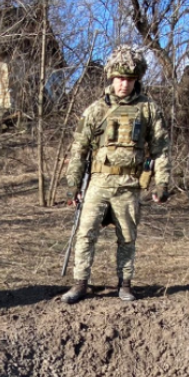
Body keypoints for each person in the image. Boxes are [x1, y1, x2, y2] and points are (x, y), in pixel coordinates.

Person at [62, 45, 170, 304]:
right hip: (98, 183)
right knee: (86, 233)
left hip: (129, 184)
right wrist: (73, 184)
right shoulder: (96, 110)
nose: (124, 85)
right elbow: (78, 149)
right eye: (120, 79)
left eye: (129, 80)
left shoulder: (148, 110)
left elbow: (161, 150)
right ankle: (80, 283)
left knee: (127, 236)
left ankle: (125, 284)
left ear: (137, 80)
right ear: (112, 77)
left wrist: (162, 182)